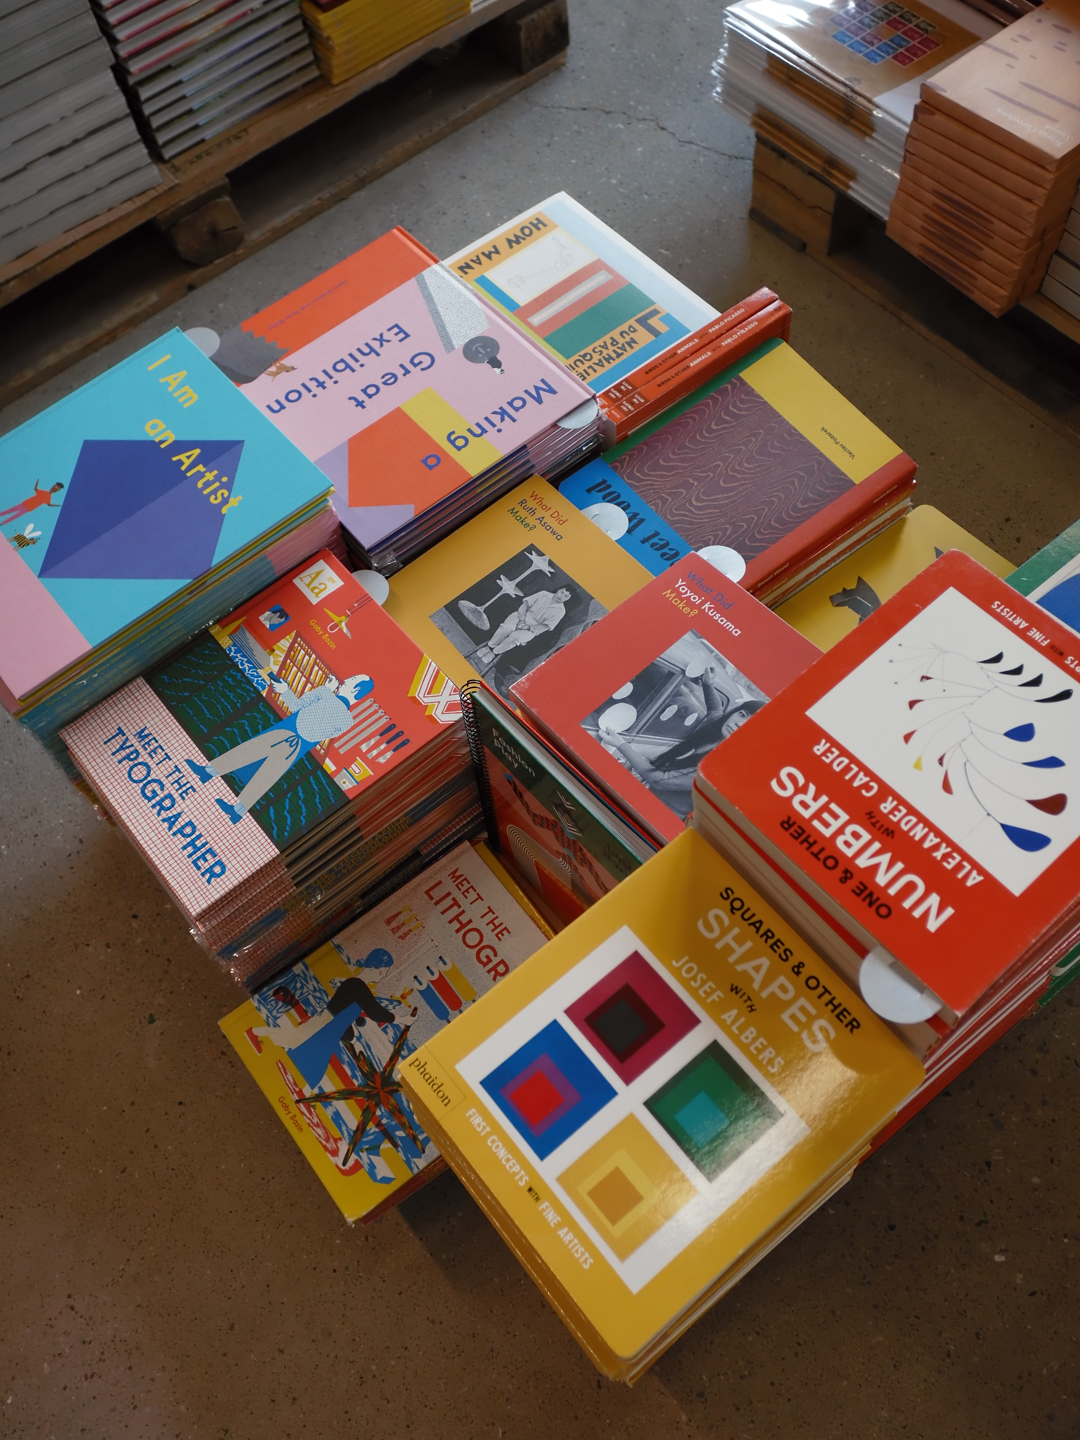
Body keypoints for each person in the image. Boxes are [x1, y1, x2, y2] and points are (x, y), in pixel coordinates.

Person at [185, 672, 374, 823]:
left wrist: (285, 690)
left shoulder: (325, 693)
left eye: (353, 679)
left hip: (288, 729)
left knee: (248, 751)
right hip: (300, 745)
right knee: (268, 774)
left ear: (356, 688)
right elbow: (325, 732)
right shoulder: (347, 721)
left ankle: (209, 772)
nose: (347, 679)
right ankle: (238, 811)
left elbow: (295, 705)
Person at [473, 587, 571, 666]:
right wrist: (521, 620)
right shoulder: (543, 594)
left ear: (568, 599)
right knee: (507, 628)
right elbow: (525, 605)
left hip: (532, 628)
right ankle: (489, 646)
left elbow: (546, 626)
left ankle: (494, 653)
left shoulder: (561, 611)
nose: (561, 596)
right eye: (562, 592)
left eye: (566, 596)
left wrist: (529, 628)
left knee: (515, 638)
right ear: (558, 590)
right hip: (521, 615)